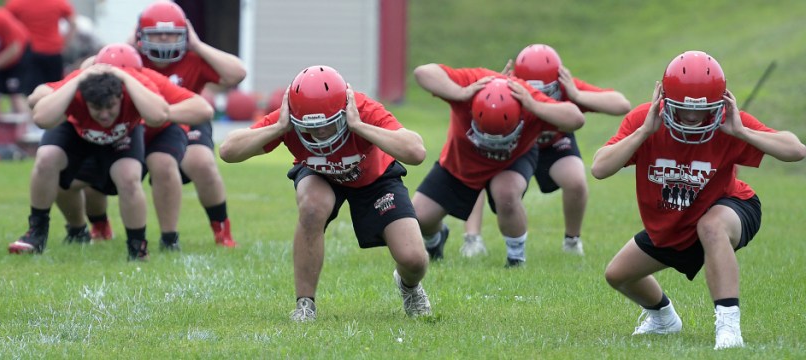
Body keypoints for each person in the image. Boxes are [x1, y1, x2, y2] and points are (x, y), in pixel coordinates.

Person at [590, 50, 805, 350]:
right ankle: (663, 318)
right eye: (683, 110)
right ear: (664, 100)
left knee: (711, 226)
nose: (692, 119)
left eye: (701, 111)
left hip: (731, 207)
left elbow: (795, 150)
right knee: (618, 276)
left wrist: (742, 132)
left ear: (719, 103)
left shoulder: (729, 123)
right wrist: (643, 132)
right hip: (674, 225)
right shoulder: (645, 120)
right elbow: (599, 168)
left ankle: (729, 328)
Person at [219, 65, 432, 321]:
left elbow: (416, 152)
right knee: (311, 207)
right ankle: (305, 303)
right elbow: (228, 151)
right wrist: (279, 128)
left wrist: (358, 126)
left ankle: (408, 286)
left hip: (375, 179)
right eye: (312, 126)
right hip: (320, 175)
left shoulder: (361, 108)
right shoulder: (287, 118)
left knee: (414, 260)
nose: (320, 133)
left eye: (328, 124)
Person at [74, 0, 245, 247]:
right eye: (157, 34)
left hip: (181, 117)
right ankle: (99, 225)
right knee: (97, 168)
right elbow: (88, 70)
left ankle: (220, 230)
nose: (164, 40)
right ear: (141, 35)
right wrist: (126, 44)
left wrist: (197, 44)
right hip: (132, 122)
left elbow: (237, 73)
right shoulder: (130, 57)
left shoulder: (193, 56)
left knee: (201, 163)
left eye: (172, 34)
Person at [28, 43, 214, 248]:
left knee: (143, 169)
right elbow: (37, 101)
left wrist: (143, 99)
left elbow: (167, 114)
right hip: (87, 135)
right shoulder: (85, 81)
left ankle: (160, 240)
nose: (105, 110)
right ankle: (72, 229)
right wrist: (78, 78)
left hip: (131, 135)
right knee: (62, 175)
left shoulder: (143, 80)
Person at [459, 44, 631, 258]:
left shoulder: (566, 88)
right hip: (515, 148)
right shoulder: (507, 87)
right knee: (476, 172)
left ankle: (572, 240)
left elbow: (622, 104)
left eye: (546, 92)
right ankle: (472, 238)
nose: (538, 96)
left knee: (576, 180)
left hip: (552, 145)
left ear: (558, 82)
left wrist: (576, 94)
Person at [411, 63, 584, 267]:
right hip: (462, 162)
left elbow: (576, 118)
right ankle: (436, 239)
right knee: (419, 219)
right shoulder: (472, 83)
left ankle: (516, 258)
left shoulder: (527, 99)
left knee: (507, 194)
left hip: (512, 159)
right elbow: (422, 72)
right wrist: (460, 92)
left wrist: (535, 105)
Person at [7, 62, 169, 261]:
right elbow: (41, 118)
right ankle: (37, 232)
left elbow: (160, 116)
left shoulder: (135, 82)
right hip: (77, 130)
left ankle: (137, 246)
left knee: (129, 177)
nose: (104, 114)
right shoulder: (79, 83)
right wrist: (77, 80)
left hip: (123, 134)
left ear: (121, 95)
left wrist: (125, 77)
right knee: (47, 157)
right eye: (96, 108)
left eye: (110, 106)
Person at [5, 0, 76, 85]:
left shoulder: (16, 3)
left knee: (30, 90)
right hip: (53, 51)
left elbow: (7, 24)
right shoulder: (58, 2)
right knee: (54, 88)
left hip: (29, 52)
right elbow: (73, 23)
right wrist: (65, 44)